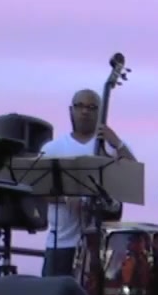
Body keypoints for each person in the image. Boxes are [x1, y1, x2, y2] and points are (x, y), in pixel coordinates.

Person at [39, 89, 136, 277]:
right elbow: (39, 188)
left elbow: (133, 177)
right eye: (80, 106)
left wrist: (117, 143)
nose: (85, 111)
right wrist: (66, 198)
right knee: (53, 294)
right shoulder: (52, 148)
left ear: (100, 112)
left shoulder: (111, 146)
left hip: (101, 244)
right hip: (61, 243)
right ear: (71, 110)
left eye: (92, 107)